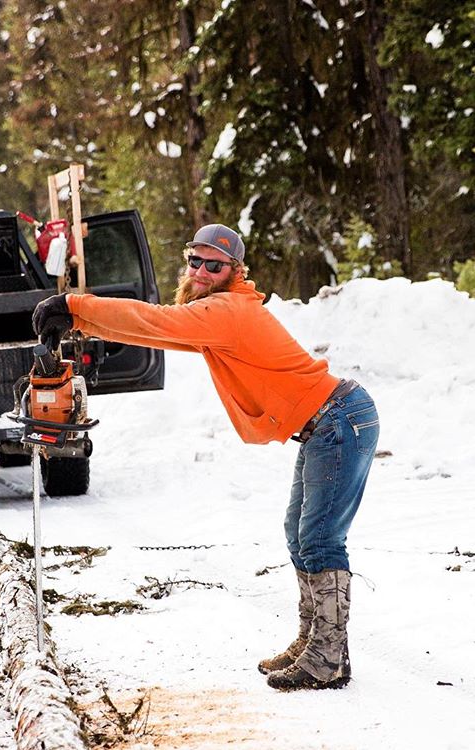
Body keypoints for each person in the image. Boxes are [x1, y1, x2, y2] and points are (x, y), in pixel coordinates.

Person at [32, 223, 379, 691]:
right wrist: (80, 323)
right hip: (330, 422)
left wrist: (74, 305)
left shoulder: (228, 310)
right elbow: (158, 334)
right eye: (194, 260)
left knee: (320, 539)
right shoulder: (219, 313)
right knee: (299, 535)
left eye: (214, 265)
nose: (200, 271)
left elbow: (154, 320)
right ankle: (315, 643)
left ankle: (328, 659)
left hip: (339, 421)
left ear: (234, 270)